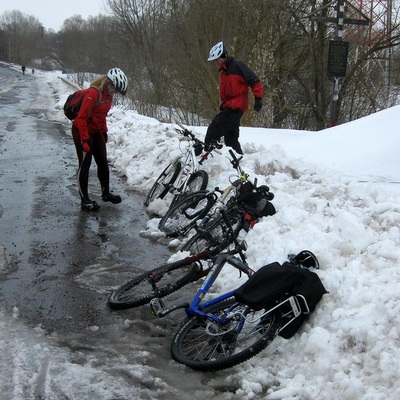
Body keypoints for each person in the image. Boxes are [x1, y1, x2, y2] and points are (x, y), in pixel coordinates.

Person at [72, 67, 128, 211]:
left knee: (103, 161)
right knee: (85, 162)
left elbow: (101, 116)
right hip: (81, 130)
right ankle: (85, 199)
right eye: (115, 89)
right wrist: (84, 140)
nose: (115, 93)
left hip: (95, 130)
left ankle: (105, 192)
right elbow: (81, 118)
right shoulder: (92, 94)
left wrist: (104, 132)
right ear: (109, 83)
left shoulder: (108, 96)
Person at [205, 41, 263, 155]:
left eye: (216, 60)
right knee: (231, 140)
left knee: (213, 129)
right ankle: (238, 162)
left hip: (235, 107)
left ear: (223, 56)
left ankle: (206, 156)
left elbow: (255, 81)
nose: (215, 63)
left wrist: (258, 99)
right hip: (229, 107)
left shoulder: (237, 66)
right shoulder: (225, 71)